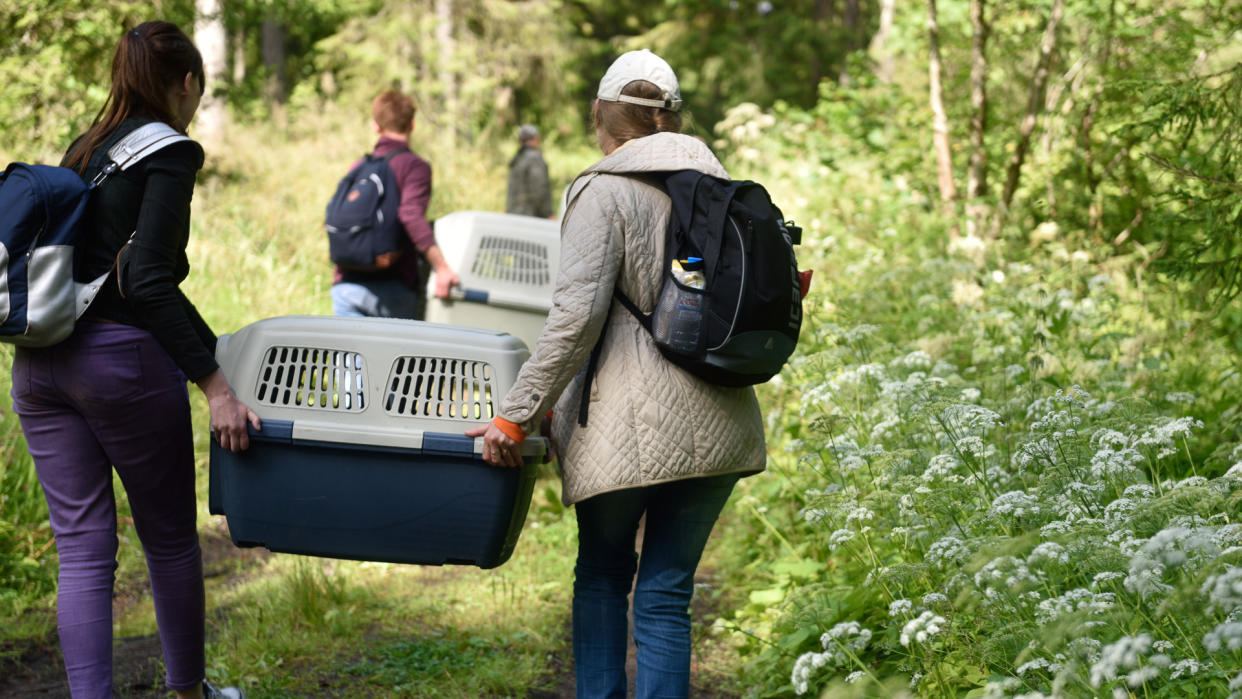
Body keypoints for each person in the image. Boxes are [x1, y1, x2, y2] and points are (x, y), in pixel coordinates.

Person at [467, 49, 766, 698]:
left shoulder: (601, 191)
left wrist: (513, 415)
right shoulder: (721, 187)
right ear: (672, 119)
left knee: (603, 576)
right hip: (723, 419)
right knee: (665, 593)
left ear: (600, 112)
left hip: (625, 430)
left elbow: (575, 320)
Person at [10, 21, 253, 699]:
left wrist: (216, 354)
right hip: (118, 366)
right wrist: (216, 386)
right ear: (185, 84)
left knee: (83, 551)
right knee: (170, 539)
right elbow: (146, 280)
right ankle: (188, 690)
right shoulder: (171, 153)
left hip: (38, 366)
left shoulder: (85, 147)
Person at [330, 91, 459, 319]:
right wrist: (441, 267)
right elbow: (410, 214)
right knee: (387, 355)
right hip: (391, 287)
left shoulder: (358, 166)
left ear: (375, 126)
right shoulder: (414, 166)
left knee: (349, 355)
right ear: (412, 124)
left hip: (345, 286)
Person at [506, 123, 554, 219]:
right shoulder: (534, 157)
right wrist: (548, 214)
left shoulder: (517, 159)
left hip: (512, 216)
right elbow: (539, 188)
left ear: (520, 142)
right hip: (531, 217)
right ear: (537, 139)